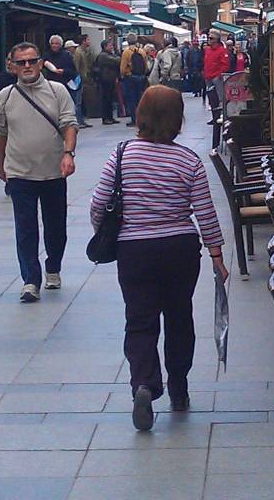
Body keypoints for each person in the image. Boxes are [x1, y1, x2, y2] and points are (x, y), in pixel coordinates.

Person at [89, 85, 227, 430]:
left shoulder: (122, 155)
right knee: (179, 317)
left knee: (140, 320)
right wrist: (216, 253)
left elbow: (99, 203)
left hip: (135, 251)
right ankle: (178, 385)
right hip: (180, 249)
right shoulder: (188, 160)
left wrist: (109, 231)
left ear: (141, 115)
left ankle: (144, 384)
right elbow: (205, 212)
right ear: (178, 118)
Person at [0, 42, 78, 303]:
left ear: (41, 63)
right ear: (12, 67)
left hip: (53, 170)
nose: (27, 66)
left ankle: (53, 266)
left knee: (56, 227)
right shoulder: (6, 95)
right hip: (20, 172)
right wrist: (0, 163)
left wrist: (68, 153)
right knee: (26, 228)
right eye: (21, 62)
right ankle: (31, 280)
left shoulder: (57, 91)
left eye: (32, 61)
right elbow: (0, 131)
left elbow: (69, 123)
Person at [120, 36, 149, 126]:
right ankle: (142, 118)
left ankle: (134, 119)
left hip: (130, 78)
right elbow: (146, 66)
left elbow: (123, 67)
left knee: (131, 99)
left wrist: (123, 75)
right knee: (140, 98)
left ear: (128, 41)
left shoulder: (126, 52)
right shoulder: (142, 51)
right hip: (141, 77)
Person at [94, 38, 122, 125]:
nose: (112, 47)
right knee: (105, 99)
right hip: (104, 80)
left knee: (110, 99)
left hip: (110, 79)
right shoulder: (103, 56)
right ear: (105, 46)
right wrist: (118, 57)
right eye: (110, 45)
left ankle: (110, 117)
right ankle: (105, 118)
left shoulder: (110, 54)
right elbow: (117, 60)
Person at [202, 29, 228, 117]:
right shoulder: (207, 50)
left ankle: (222, 114)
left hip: (217, 78)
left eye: (211, 38)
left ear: (216, 39)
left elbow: (225, 64)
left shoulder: (222, 50)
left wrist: (219, 75)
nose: (209, 40)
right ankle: (214, 116)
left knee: (220, 97)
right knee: (212, 98)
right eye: (208, 38)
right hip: (208, 77)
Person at [74, 34, 97, 128]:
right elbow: (76, 66)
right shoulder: (78, 52)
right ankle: (78, 121)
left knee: (81, 101)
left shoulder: (85, 51)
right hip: (79, 79)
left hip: (84, 79)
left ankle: (82, 120)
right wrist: (78, 78)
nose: (89, 41)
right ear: (83, 41)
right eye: (87, 40)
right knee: (78, 102)